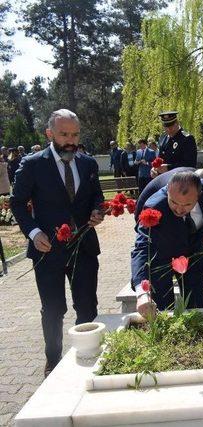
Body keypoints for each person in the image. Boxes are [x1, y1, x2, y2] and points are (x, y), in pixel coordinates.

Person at [10, 109, 105, 377]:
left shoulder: (88, 164)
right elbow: (17, 203)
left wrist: (98, 212)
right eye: (64, 134)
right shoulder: (32, 164)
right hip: (47, 250)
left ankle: (86, 355)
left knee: (87, 304)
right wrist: (33, 232)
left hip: (83, 246)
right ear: (49, 134)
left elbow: (97, 197)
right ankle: (52, 360)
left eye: (75, 134)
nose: (70, 140)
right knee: (53, 309)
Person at [131, 171, 203, 315]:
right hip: (160, 247)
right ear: (168, 191)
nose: (179, 209)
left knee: (196, 303)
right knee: (163, 308)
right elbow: (142, 247)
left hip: (192, 249)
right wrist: (142, 293)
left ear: (199, 195)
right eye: (174, 202)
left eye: (187, 204)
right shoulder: (154, 207)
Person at [153, 111, 197, 177]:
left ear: (177, 123)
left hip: (180, 180)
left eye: (170, 126)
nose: (168, 129)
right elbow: (160, 158)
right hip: (163, 179)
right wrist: (155, 169)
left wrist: (169, 168)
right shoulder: (163, 138)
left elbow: (190, 165)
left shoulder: (187, 139)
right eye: (165, 126)